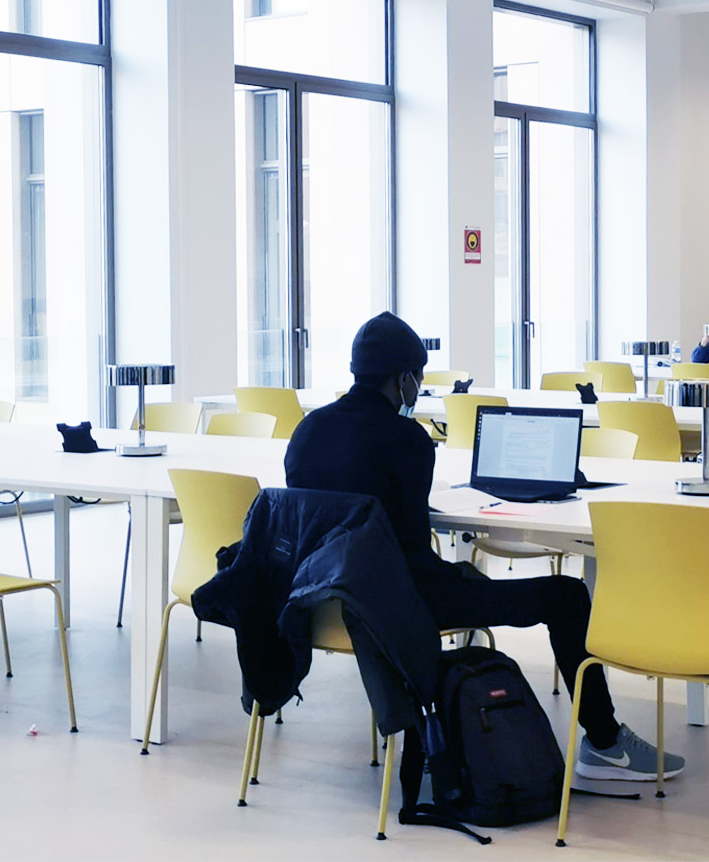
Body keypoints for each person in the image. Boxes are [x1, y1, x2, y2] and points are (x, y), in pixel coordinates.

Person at [284, 311, 683, 782]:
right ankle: (605, 744)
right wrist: (458, 575)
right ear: (405, 378)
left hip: (322, 604)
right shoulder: (406, 439)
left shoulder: (307, 431)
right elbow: (409, 552)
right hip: (394, 605)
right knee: (567, 595)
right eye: (418, 378)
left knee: (466, 577)